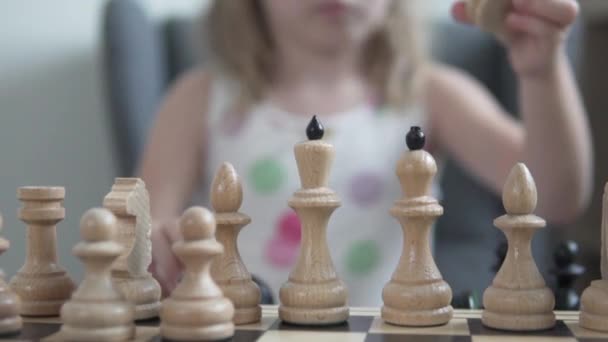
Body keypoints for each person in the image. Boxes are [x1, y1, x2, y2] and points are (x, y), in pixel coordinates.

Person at [140, 0, 592, 305]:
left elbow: (555, 197)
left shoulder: (431, 93)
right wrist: (159, 248)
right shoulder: (199, 98)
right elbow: (147, 234)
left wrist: (542, 70)